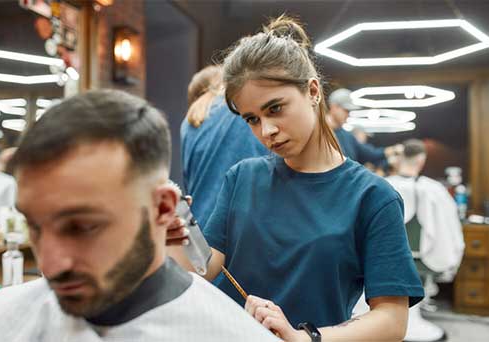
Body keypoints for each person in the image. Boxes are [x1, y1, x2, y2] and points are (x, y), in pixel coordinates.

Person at [168, 16, 424, 342]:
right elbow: (203, 271)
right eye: (252, 119)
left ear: (313, 90)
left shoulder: (373, 197)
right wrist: (177, 234)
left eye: (275, 109)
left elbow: (391, 321)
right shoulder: (242, 178)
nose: (266, 131)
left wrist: (306, 338)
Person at [0, 90, 280, 342]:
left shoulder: (231, 335)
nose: (49, 264)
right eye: (34, 225)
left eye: (82, 227)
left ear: (163, 208)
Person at [386, 139, 464, 342]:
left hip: (387, 259)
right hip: (424, 259)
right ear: (421, 161)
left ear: (400, 158)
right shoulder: (435, 190)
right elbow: (451, 231)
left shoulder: (383, 185)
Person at [181, 65, 268, 228]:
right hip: (243, 224)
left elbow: (188, 180)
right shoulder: (240, 109)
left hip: (200, 224)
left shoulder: (189, 122)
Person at [327, 88, 403, 165]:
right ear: (334, 107)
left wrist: (394, 150)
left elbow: (370, 154)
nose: (348, 114)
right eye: (346, 110)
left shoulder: (347, 137)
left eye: (349, 111)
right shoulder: (318, 133)